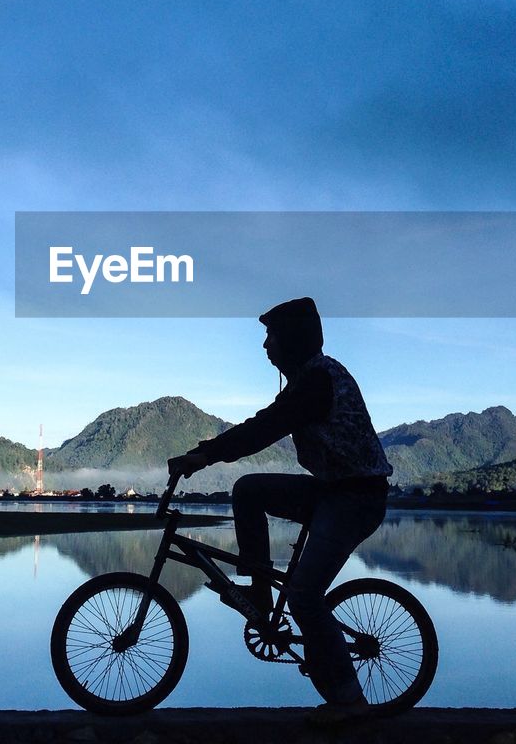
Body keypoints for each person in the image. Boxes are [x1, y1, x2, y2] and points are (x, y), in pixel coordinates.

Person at [167, 297, 392, 720]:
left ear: (293, 340)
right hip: (332, 490)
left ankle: (350, 701)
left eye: (271, 336)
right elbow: (265, 424)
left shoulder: (317, 382)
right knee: (249, 490)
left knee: (305, 596)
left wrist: (202, 456)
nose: (266, 346)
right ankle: (258, 592)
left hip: (355, 497)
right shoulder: (307, 381)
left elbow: (264, 429)